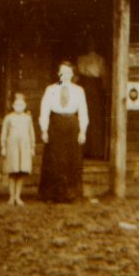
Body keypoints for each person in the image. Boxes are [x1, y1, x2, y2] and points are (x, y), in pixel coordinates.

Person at [38, 61, 89, 203]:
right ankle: (52, 195)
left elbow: (83, 112)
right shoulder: (51, 89)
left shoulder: (79, 91)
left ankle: (71, 194)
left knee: (72, 160)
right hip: (55, 125)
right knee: (54, 160)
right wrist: (44, 130)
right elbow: (44, 110)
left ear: (72, 74)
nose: (65, 75)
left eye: (68, 72)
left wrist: (82, 131)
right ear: (58, 74)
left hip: (72, 125)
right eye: (62, 72)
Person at [0, 92, 36, 206]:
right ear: (13, 105)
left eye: (21, 105)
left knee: (21, 172)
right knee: (12, 172)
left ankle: (18, 196)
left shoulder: (28, 118)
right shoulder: (8, 118)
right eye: (16, 105)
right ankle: (11, 197)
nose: (18, 107)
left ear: (25, 106)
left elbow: (31, 133)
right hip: (12, 147)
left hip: (24, 148)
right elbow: (4, 133)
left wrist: (32, 147)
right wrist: (3, 147)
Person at [77, 38, 107, 160]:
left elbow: (104, 79)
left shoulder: (99, 60)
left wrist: (105, 91)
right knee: (86, 117)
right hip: (87, 89)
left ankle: (95, 151)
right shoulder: (82, 59)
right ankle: (85, 151)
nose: (90, 45)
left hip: (94, 91)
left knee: (94, 119)